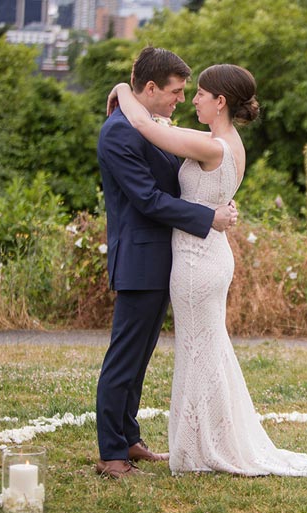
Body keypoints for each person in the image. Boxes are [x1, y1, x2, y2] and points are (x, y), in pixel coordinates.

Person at [108, 63, 307, 477]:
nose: (193, 100)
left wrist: (122, 86)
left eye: (201, 94)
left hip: (196, 262)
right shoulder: (224, 142)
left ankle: (204, 447)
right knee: (206, 351)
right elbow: (156, 124)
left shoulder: (214, 148)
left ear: (220, 101)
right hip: (209, 255)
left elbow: (144, 124)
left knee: (199, 353)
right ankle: (208, 442)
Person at [95, 47, 239, 479]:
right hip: (140, 259)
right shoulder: (118, 132)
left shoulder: (150, 123)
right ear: (151, 88)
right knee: (124, 357)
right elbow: (148, 198)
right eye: (176, 92)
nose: (180, 100)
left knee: (140, 357)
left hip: (168, 260)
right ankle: (110, 454)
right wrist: (207, 218)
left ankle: (129, 437)